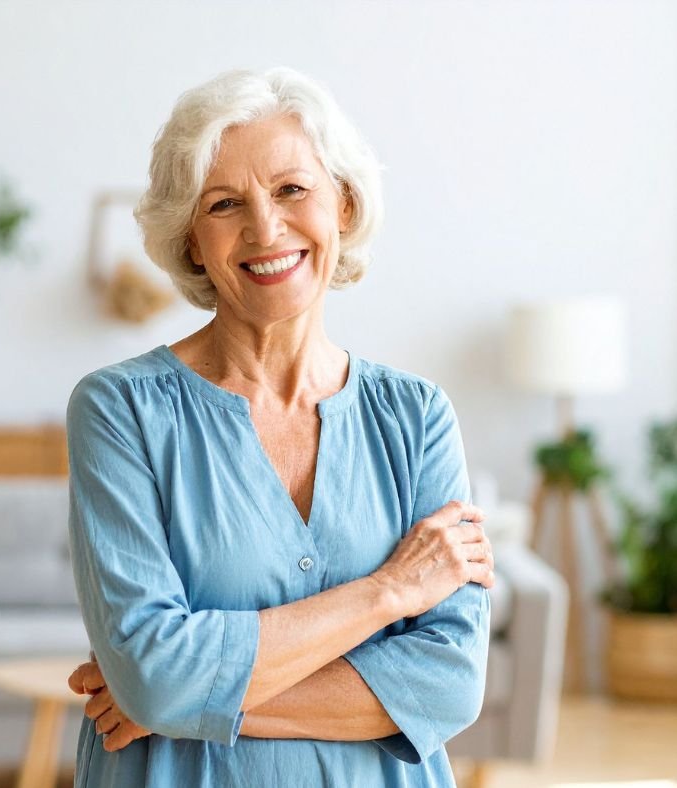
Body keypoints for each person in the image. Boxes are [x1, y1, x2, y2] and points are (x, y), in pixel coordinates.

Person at [65, 67, 494, 788]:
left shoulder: (417, 417)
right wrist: (389, 592)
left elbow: (449, 685)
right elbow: (156, 676)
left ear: (345, 206)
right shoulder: (121, 410)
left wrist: (189, 701)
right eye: (225, 203)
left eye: (292, 189)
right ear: (192, 241)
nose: (265, 227)